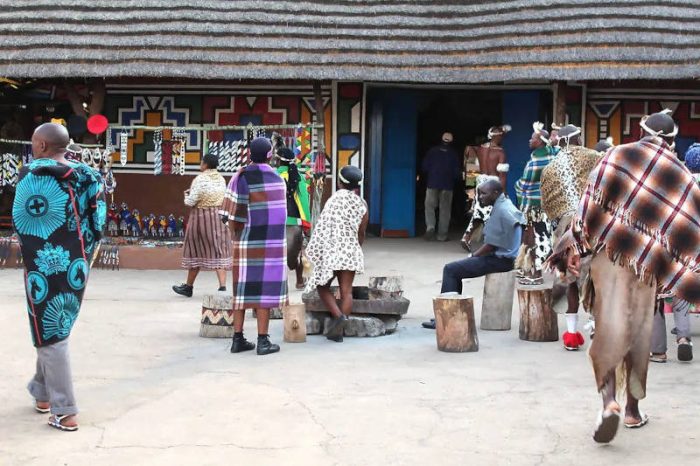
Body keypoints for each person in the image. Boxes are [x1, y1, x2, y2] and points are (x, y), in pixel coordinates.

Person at [548, 110, 700, 443]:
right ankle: (632, 411)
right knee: (639, 334)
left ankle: (608, 404)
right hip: (646, 267)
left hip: (608, 258)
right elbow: (689, 223)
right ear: (671, 139)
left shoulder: (616, 156)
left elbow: (588, 206)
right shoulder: (679, 172)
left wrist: (573, 245)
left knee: (609, 327)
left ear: (642, 132)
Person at [12, 123, 106, 432]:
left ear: (40, 145)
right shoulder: (88, 175)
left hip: (43, 261)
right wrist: (81, 250)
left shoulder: (30, 174)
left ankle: (65, 410)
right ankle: (42, 393)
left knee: (51, 330)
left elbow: (22, 219)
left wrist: (34, 255)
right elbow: (99, 220)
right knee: (56, 323)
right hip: (77, 262)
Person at [423, 179, 524, 329]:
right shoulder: (506, 205)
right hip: (507, 256)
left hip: (500, 259)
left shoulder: (500, 211)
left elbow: (491, 245)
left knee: (451, 269)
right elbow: (523, 225)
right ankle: (452, 311)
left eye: (484, 193)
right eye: (479, 193)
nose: (480, 197)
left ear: (496, 193)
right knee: (456, 269)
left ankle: (447, 315)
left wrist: (473, 256)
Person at [220, 137, 287, 356]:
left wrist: (236, 233)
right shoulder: (277, 179)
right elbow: (280, 215)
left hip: (244, 240)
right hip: (270, 243)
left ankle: (237, 339)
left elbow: (232, 213)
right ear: (270, 155)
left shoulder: (241, 177)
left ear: (249, 153)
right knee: (264, 292)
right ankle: (263, 341)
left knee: (241, 291)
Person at [540, 124, 602, 351]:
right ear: (579, 139)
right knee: (594, 277)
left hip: (564, 230)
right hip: (589, 224)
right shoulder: (593, 157)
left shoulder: (550, 168)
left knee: (569, 279)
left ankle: (572, 335)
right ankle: (596, 324)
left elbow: (547, 204)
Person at [649, 143, 700, 363]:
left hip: (660, 244)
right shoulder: (687, 182)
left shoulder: (652, 180)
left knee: (657, 297)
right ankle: (683, 339)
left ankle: (659, 351)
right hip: (687, 244)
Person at [305, 166, 368, 342]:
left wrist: (315, 251)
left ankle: (338, 316)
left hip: (332, 251)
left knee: (322, 286)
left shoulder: (332, 201)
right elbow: (361, 232)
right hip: (351, 250)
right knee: (346, 291)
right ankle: (339, 329)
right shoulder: (362, 204)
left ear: (340, 182)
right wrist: (356, 248)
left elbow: (322, 227)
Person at [172, 153, 232, 297]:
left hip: (201, 218)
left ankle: (188, 286)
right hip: (219, 217)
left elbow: (191, 202)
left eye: (201, 162)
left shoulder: (200, 179)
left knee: (196, 250)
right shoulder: (222, 179)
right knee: (219, 250)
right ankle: (223, 287)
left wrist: (186, 195)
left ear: (205, 164)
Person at [514, 122, 558, 285]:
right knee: (536, 237)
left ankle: (537, 273)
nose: (529, 140)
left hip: (533, 207)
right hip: (546, 205)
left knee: (536, 239)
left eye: (532, 138)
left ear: (539, 142)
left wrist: (516, 186)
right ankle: (526, 268)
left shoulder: (535, 163)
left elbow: (524, 185)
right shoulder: (552, 155)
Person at [461, 125, 511, 250]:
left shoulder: (480, 149)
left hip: (481, 182)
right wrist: (503, 192)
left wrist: (471, 185)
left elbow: (473, 166)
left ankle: (466, 237)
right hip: (493, 184)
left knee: (479, 212)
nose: (503, 139)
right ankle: (491, 243)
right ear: (497, 136)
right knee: (494, 214)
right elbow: (502, 175)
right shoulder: (500, 152)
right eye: (502, 136)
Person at [275, 147, 311, 290]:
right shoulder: (299, 177)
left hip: (275, 222)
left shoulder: (273, 175)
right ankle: (300, 281)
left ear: (278, 161)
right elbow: (303, 201)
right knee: (297, 253)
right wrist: (306, 224)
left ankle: (279, 285)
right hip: (295, 222)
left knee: (277, 256)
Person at [421, 132, 460, 241]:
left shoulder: (432, 151)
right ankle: (442, 235)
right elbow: (457, 173)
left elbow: (424, 167)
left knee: (429, 206)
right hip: (447, 185)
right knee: (445, 210)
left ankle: (430, 227)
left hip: (432, 183)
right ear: (451, 141)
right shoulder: (453, 154)